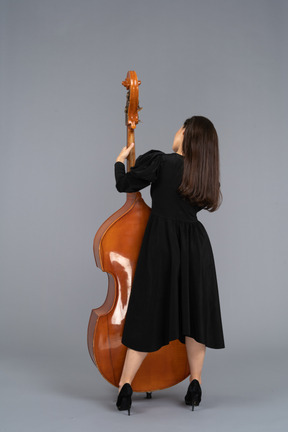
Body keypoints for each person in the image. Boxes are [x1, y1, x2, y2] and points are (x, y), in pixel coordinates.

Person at [114, 115, 225, 415]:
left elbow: (125, 185)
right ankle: (195, 383)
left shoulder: (161, 162)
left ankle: (126, 386)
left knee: (147, 312)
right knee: (194, 317)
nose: (176, 132)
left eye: (181, 128)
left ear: (186, 137)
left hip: (160, 245)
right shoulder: (202, 175)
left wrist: (120, 162)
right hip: (196, 247)